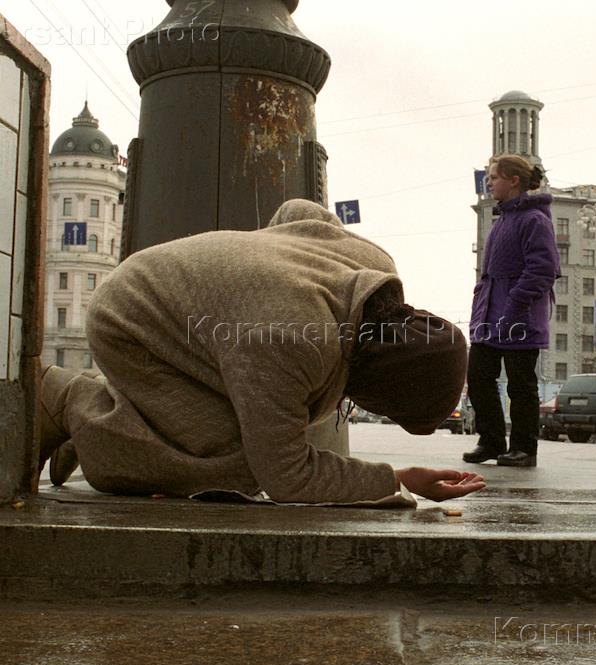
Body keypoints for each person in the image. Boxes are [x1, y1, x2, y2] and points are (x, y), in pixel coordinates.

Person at [36, 199, 485, 506]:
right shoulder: (291, 340)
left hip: (176, 299)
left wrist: (256, 268)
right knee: (234, 468)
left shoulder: (375, 266)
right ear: (382, 388)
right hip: (129, 321)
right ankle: (70, 401)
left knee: (246, 433)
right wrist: (397, 480)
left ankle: (108, 417)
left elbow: (299, 212)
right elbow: (286, 477)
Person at [463, 155, 561, 468]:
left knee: (521, 386)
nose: (489, 183)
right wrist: (480, 303)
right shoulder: (502, 220)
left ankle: (523, 448)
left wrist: (516, 304)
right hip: (489, 318)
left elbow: (543, 270)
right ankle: (491, 440)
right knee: (478, 377)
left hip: (521, 318)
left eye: (494, 177)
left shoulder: (535, 220)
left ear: (513, 180)